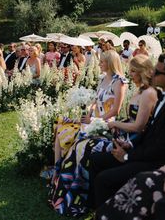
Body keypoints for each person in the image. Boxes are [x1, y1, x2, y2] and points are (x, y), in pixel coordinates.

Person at [89, 53, 165, 210]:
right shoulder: (164, 95)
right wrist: (129, 144)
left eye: (158, 72)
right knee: (96, 160)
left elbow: (162, 149)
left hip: (156, 162)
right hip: (142, 151)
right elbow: (148, 129)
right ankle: (97, 207)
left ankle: (105, 212)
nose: (152, 73)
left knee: (103, 179)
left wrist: (127, 156)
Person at [48, 50, 127, 217]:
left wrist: (96, 120)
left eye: (102, 62)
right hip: (93, 121)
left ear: (110, 63)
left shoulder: (119, 82)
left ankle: (69, 183)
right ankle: (57, 172)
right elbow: (94, 101)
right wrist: (90, 112)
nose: (99, 64)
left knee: (76, 142)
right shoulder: (102, 79)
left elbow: (116, 110)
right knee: (62, 127)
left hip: (106, 124)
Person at [95, 155, 165, 220]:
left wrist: (127, 156)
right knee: (143, 179)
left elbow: (156, 151)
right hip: (143, 157)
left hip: (149, 159)